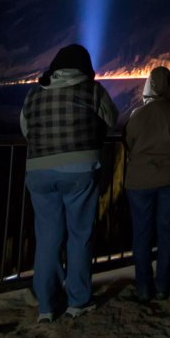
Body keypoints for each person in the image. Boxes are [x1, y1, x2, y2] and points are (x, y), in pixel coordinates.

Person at [20, 43, 118, 323]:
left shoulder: (33, 93)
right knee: (79, 234)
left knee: (47, 238)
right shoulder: (93, 90)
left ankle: (46, 305)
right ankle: (78, 300)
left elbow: (25, 129)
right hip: (80, 170)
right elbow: (112, 119)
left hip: (39, 170)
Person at [124, 65, 170, 302]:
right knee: (167, 232)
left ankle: (143, 287)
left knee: (141, 234)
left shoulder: (137, 115)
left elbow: (129, 142)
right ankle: (162, 287)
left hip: (140, 181)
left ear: (149, 85)